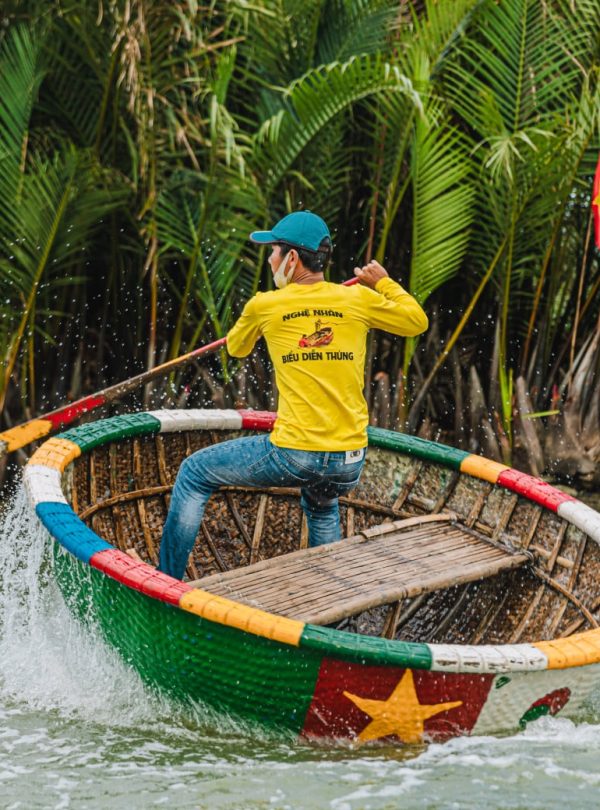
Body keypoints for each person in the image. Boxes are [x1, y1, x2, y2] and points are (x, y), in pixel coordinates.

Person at [157, 211, 428, 580]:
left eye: (273, 251)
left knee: (193, 472)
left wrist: (263, 319)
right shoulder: (358, 300)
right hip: (349, 462)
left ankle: (164, 582)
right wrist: (383, 283)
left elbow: (236, 349)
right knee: (322, 503)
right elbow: (416, 321)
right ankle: (330, 618)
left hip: (295, 456)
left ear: (292, 259)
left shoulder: (264, 305)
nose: (269, 260)